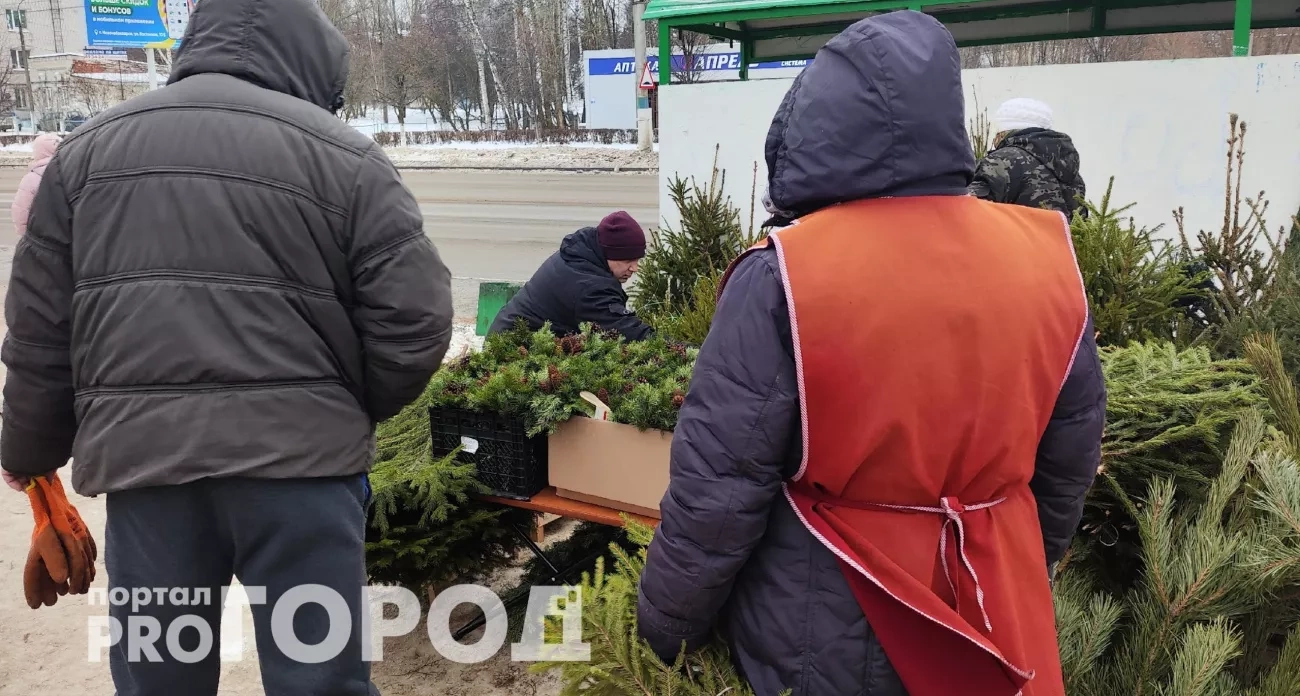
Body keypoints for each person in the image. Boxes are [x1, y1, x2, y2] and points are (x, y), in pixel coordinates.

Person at [636, 11, 1105, 696]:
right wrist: (1019, 556)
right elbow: (1068, 458)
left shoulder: (787, 273)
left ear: (810, 131)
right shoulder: (1045, 257)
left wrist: (665, 633)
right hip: (994, 599)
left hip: (826, 616)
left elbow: (720, 489)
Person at [0, 0, 454, 693]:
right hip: (303, 477)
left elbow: (39, 330)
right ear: (314, 62)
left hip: (150, 479)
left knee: (161, 680)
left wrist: (30, 455)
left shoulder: (84, 156)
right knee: (320, 679)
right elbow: (416, 321)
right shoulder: (347, 158)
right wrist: (340, 407)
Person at [489, 210, 653, 340]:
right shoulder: (589, 285)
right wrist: (669, 346)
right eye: (628, 260)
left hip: (512, 336)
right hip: (512, 352)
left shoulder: (582, 254)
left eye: (637, 259)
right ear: (608, 253)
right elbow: (625, 332)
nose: (635, 268)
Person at [970, 96, 1088, 220]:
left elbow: (972, 209)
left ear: (1003, 131)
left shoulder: (1002, 161)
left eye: (997, 132)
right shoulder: (1071, 169)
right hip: (1063, 239)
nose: (995, 139)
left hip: (1015, 239)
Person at [11, 133, 61, 236]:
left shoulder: (32, 179)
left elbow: (21, 211)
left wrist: (25, 235)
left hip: (42, 238)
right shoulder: (74, 172)